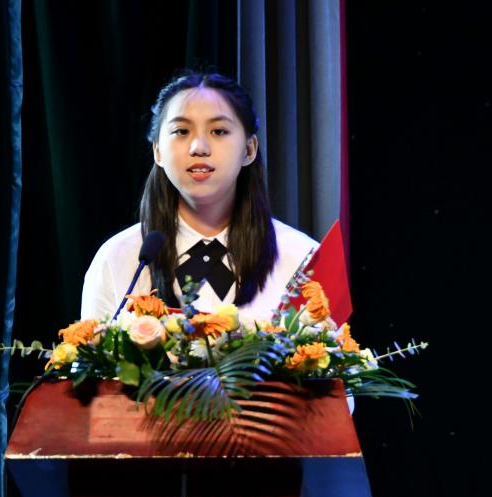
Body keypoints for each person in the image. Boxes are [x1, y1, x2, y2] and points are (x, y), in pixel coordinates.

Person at [80, 70, 318, 322]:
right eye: (182, 131)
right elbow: (91, 348)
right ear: (158, 151)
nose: (199, 148)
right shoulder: (118, 258)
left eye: (219, 131)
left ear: (249, 149)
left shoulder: (302, 259)